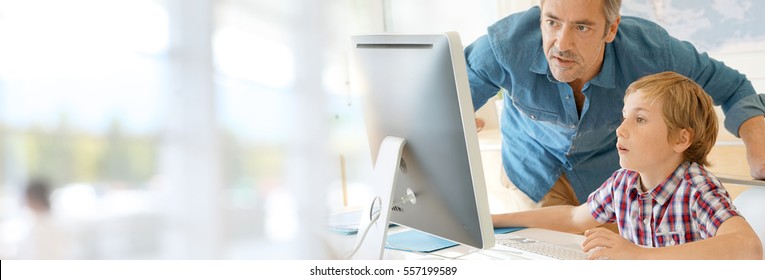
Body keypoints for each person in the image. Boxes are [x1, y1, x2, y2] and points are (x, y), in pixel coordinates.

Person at [465, 0, 765, 211]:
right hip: (532, 170)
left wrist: (758, 148)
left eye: (582, 27)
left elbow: (734, 87)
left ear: (611, 29)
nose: (562, 44)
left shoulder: (652, 52)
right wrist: (458, 117)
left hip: (609, 178)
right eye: (552, 22)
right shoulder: (503, 46)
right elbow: (442, 100)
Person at [492, 71, 763, 259]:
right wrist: (493, 221)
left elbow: (748, 249)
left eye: (640, 119)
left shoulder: (697, 189)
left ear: (681, 139)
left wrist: (638, 256)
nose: (621, 129)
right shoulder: (624, 182)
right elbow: (573, 217)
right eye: (624, 117)